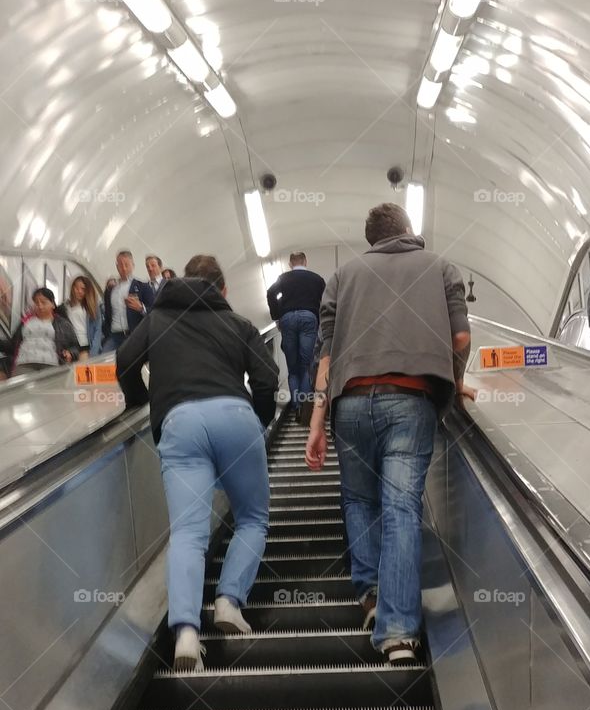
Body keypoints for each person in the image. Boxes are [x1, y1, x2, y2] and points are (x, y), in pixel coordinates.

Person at [305, 201, 473, 665]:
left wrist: (316, 424)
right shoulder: (440, 266)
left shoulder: (343, 276)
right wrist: (455, 382)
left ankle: (372, 597)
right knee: (400, 507)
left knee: (358, 500)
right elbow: (460, 338)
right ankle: (397, 634)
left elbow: (325, 356)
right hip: (409, 399)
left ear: (372, 241)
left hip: (350, 403)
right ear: (408, 230)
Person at [116, 254, 279, 671]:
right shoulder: (238, 323)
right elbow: (266, 379)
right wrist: (257, 421)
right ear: (221, 290)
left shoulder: (156, 319)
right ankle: (228, 603)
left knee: (188, 532)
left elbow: (124, 364)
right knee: (252, 518)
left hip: (180, 421)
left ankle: (186, 633)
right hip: (235, 418)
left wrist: (144, 402)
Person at [267, 252, 325, 419]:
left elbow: (271, 294)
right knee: (306, 367)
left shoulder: (283, 278)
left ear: (290, 263)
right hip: (309, 317)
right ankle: (307, 410)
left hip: (287, 319)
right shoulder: (316, 279)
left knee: (293, 370)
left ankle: (296, 407)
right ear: (305, 261)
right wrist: (320, 318)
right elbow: (327, 299)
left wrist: (277, 315)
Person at [0, 287, 79, 375]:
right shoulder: (26, 321)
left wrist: (70, 353)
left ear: (53, 304)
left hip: (50, 364)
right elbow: (13, 344)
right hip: (24, 363)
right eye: (36, 303)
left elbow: (75, 346)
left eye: (43, 302)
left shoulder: (63, 324)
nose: (40, 306)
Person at [101, 251, 155, 353]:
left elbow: (154, 312)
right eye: (121, 265)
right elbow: (107, 314)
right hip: (114, 336)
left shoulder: (143, 287)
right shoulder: (110, 290)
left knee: (132, 366)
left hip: (134, 336)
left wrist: (141, 308)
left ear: (133, 266)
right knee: (104, 365)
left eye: (127, 265)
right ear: (117, 267)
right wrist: (107, 333)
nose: (124, 268)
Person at [59, 275, 102, 357]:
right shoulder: (65, 307)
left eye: (83, 289)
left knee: (82, 369)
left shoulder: (93, 307)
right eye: (76, 288)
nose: (79, 291)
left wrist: (93, 352)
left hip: (86, 345)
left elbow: (98, 331)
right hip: (71, 347)